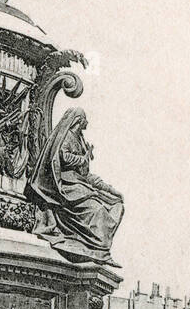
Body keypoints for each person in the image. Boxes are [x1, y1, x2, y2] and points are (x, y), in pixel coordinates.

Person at [25, 107, 123, 262]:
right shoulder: (67, 136)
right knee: (97, 210)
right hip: (65, 185)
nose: (87, 122)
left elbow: (86, 175)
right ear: (78, 120)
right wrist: (82, 159)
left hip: (79, 184)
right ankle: (97, 248)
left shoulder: (80, 140)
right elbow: (61, 156)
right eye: (85, 119)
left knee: (113, 205)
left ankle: (99, 250)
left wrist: (111, 190)